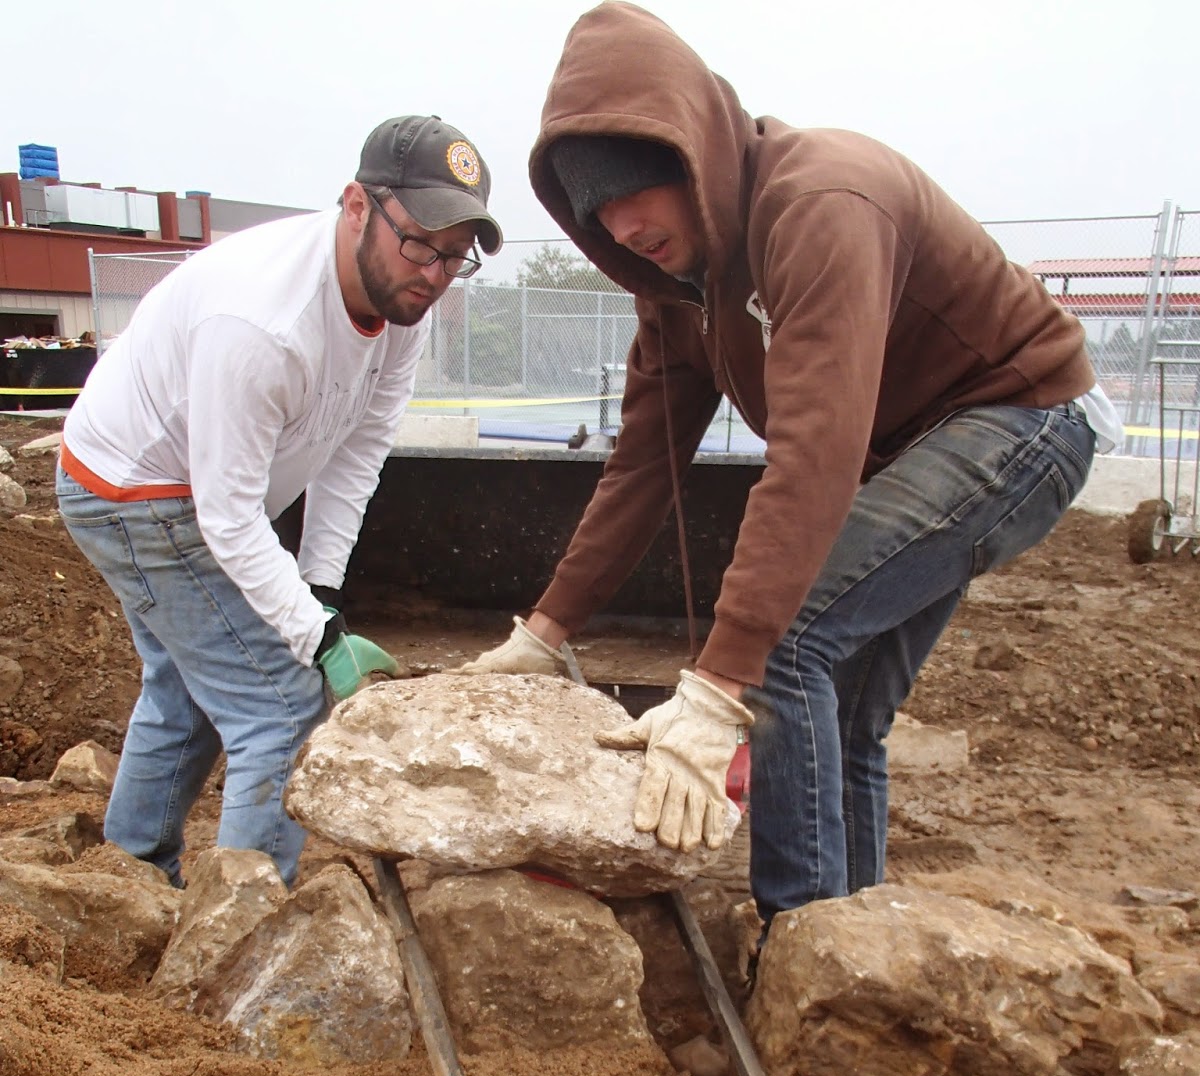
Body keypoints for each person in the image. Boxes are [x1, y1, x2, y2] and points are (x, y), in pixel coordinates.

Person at [462, 1, 1123, 937]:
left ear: (696, 152)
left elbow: (816, 452)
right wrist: (545, 630)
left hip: (1018, 414)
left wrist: (717, 684)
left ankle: (796, 941)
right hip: (910, 445)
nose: (624, 224)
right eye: (596, 209)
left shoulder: (820, 205)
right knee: (839, 709)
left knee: (783, 643)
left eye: (638, 189)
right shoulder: (674, 289)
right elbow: (643, 466)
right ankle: (854, 948)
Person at [57, 114, 502, 887]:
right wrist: (315, 638)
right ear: (357, 205)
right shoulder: (262, 322)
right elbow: (226, 516)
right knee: (282, 705)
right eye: (420, 244)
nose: (434, 274)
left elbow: (355, 453)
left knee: (191, 689)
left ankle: (132, 878)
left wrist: (318, 592)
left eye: (454, 256)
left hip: (195, 491)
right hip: (135, 490)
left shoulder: (400, 307)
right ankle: (247, 926)